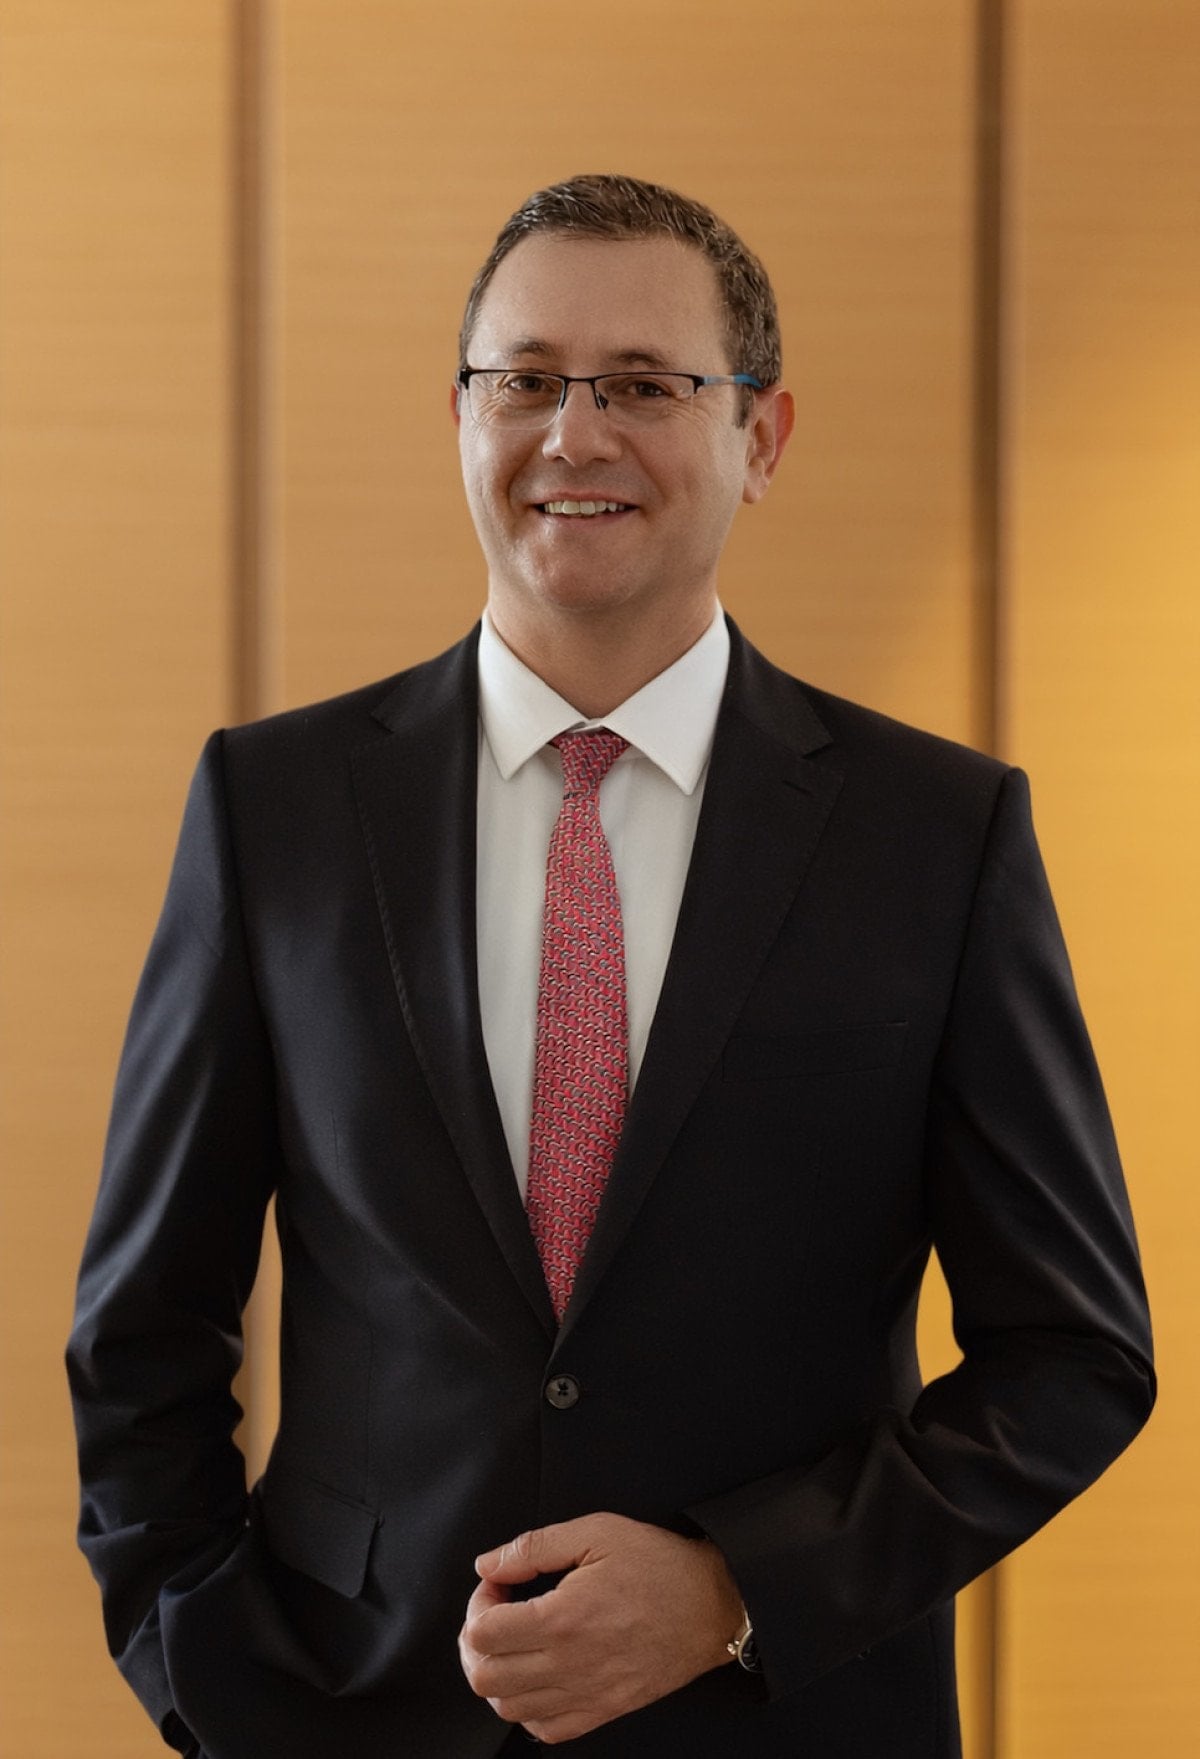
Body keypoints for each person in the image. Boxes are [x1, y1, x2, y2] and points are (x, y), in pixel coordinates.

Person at [67, 173, 1154, 1759]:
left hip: (789, 1723)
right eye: (525, 381)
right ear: (461, 418)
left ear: (762, 437)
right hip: (357, 1715)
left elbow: (1072, 1356)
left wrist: (737, 1590)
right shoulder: (275, 808)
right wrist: (203, 1678)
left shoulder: (936, 835)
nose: (575, 436)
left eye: (644, 386)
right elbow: (144, 1328)